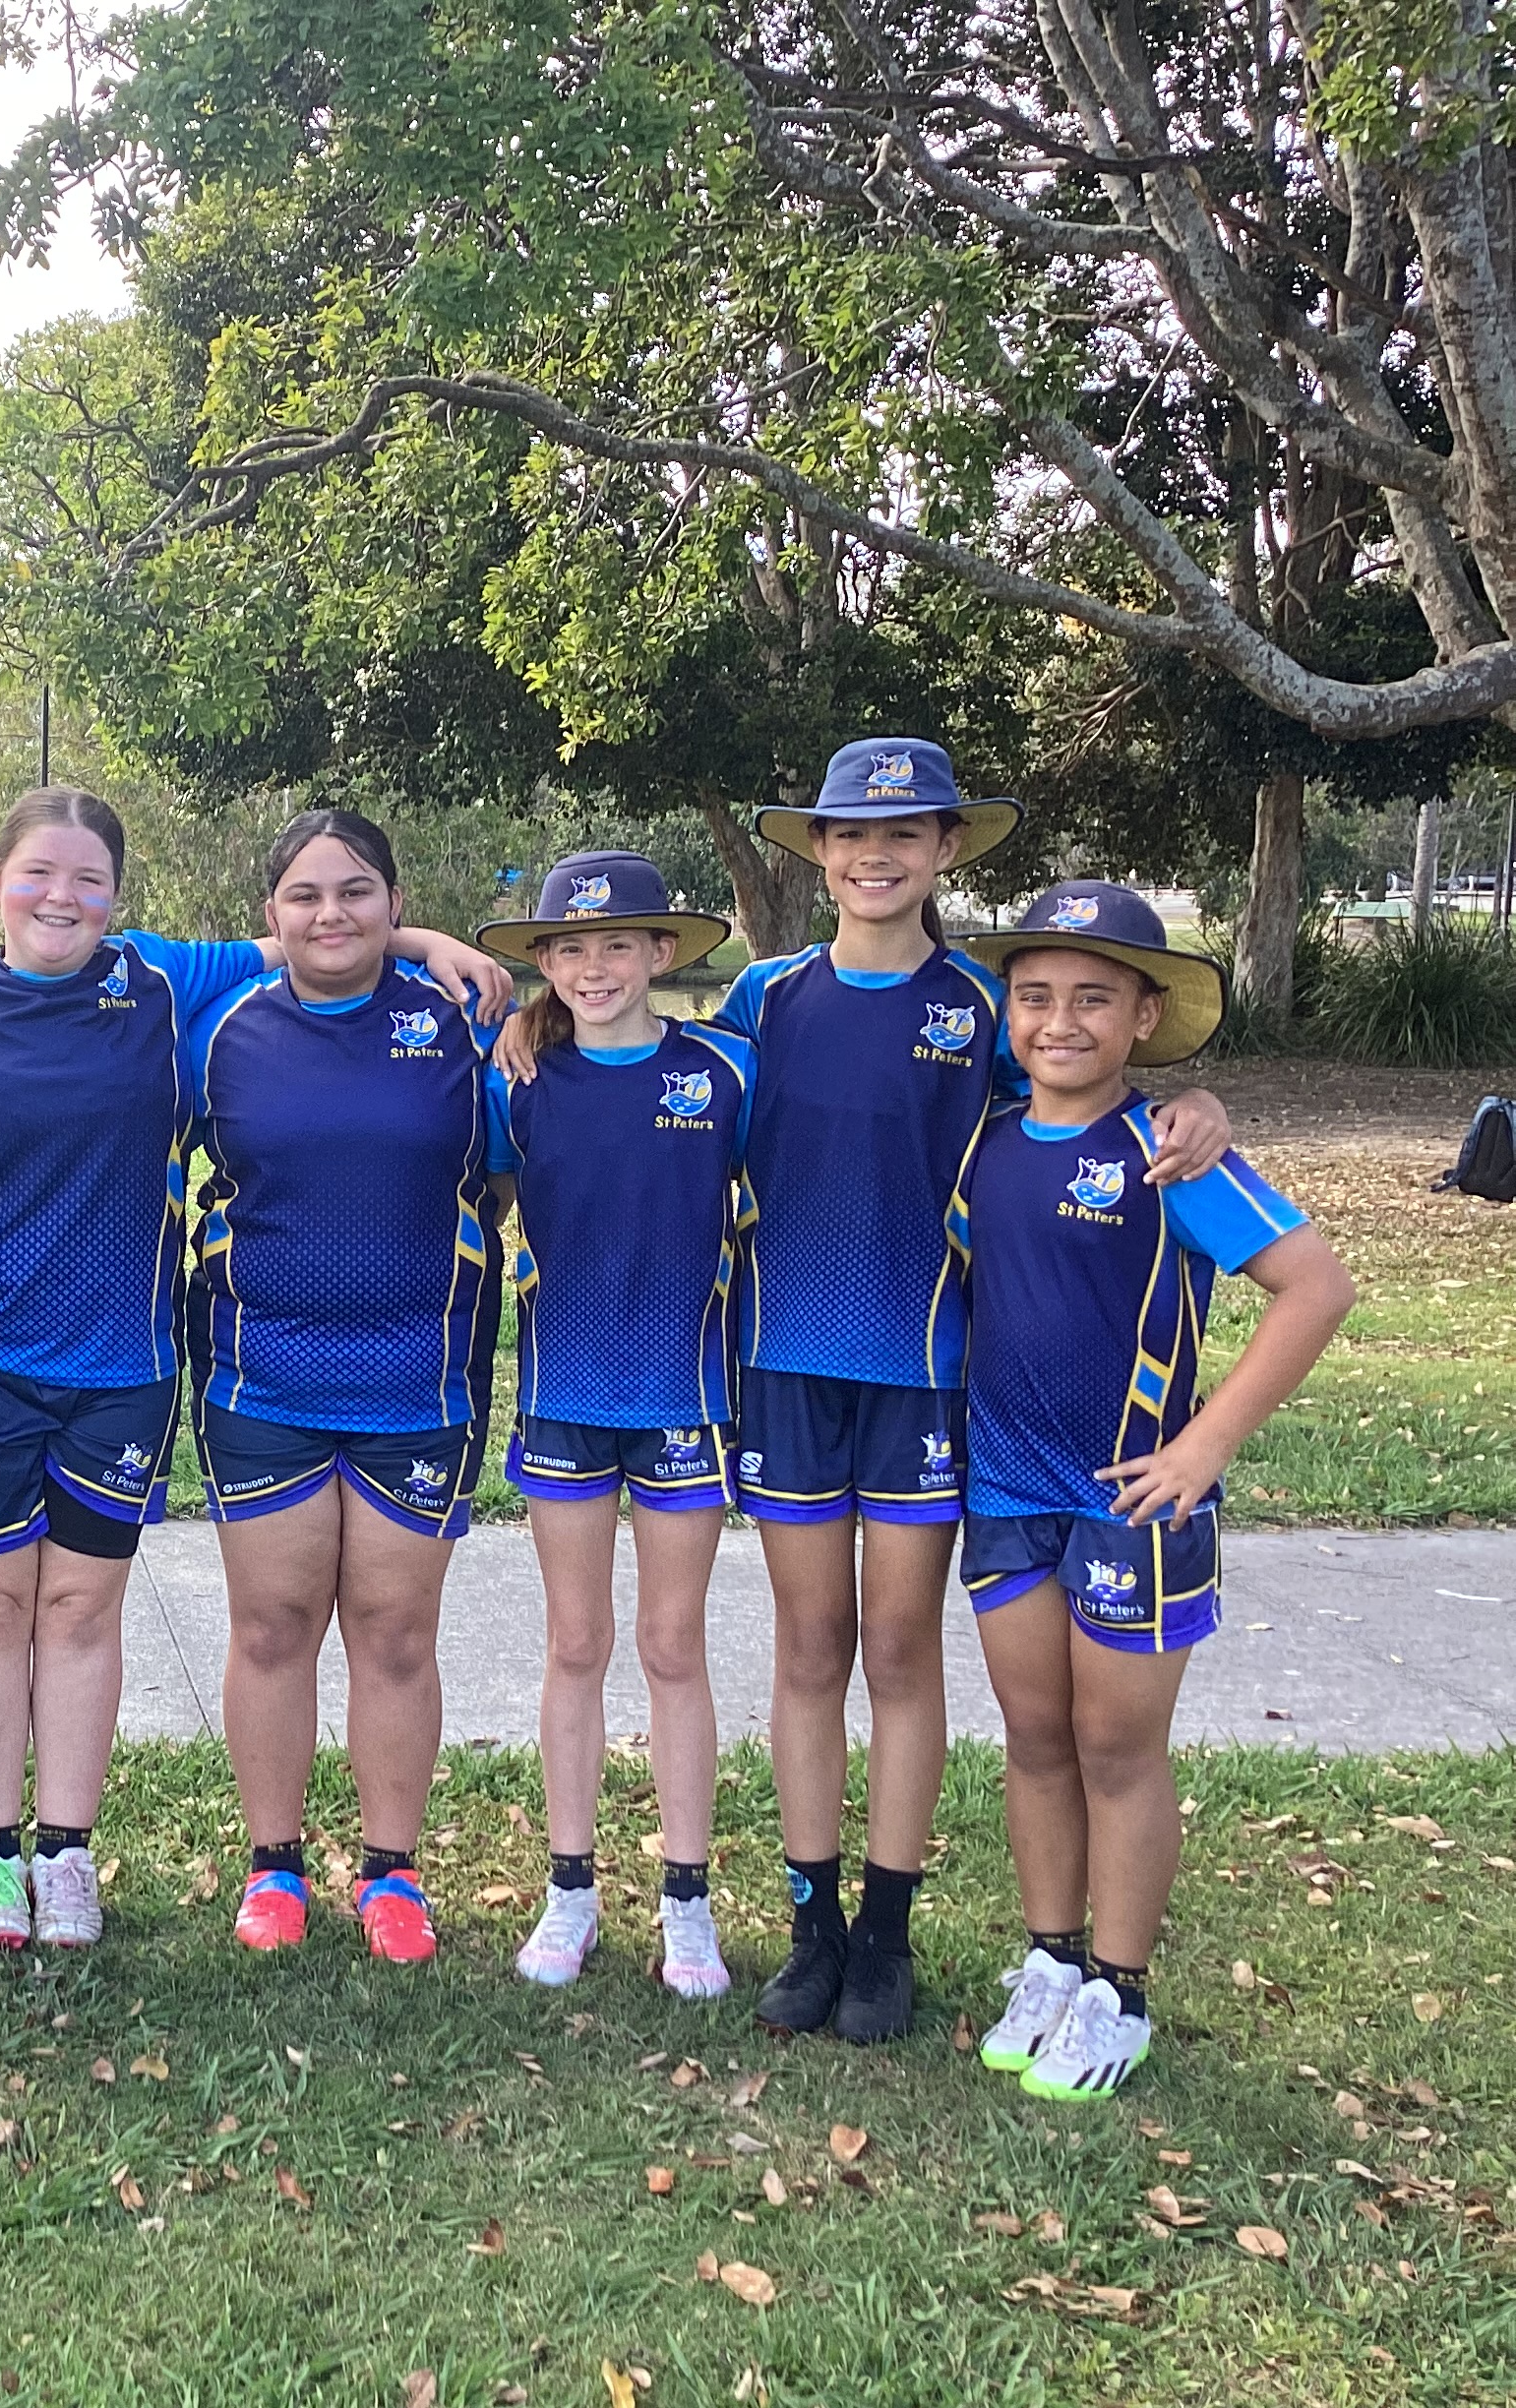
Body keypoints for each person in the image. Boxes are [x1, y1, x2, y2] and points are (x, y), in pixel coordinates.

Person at [503, 738, 1228, 2044]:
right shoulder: (766, 1004)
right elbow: (631, 1062)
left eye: (904, 834)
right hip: (780, 1368)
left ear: (947, 850)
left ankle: (885, 1934)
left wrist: (1197, 1108)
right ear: (817, 853)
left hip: (927, 1376)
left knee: (898, 1650)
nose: (875, 855)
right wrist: (533, 1017)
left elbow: (1087, 1088)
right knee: (808, 1648)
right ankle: (812, 1919)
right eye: (849, 834)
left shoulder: (982, 1007)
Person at [0, 787, 512, 1951]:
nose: (61, 896)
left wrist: (419, 940)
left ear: (118, 898)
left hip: (125, 1362)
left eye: (88, 879)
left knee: (81, 1611)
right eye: (38, 873)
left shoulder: (160, 987)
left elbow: (316, 932)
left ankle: (72, 1856)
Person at [954, 882, 1350, 2096]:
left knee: (1117, 1747)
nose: (1058, 1021)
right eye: (1033, 997)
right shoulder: (983, 1134)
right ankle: (1050, 1959)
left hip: (1132, 1501)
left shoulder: (1171, 1151)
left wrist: (1207, 1445)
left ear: (1142, 1018)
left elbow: (1316, 1288)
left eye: (1091, 999)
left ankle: (1118, 1990)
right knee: (1034, 1737)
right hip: (1003, 1487)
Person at [184, 809, 502, 1966]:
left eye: (358, 892)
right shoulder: (216, 1032)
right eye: (306, 895)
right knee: (271, 1627)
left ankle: (391, 1873)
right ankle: (273, 1866)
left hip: (420, 1378)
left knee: (395, 1632)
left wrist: (429, 951)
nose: (332, 914)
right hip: (261, 1371)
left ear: (393, 902)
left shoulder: (465, 1024)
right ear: (269, 917)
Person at [475, 851, 750, 1999]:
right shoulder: (518, 1081)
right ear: (544, 964)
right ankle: (572, 1889)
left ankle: (688, 1902)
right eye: (570, 950)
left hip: (685, 1398)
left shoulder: (727, 1073)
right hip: (563, 1397)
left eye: (618, 946)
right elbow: (472, 1197)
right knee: (576, 1645)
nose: (595, 968)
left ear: (662, 955)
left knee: (673, 1649)